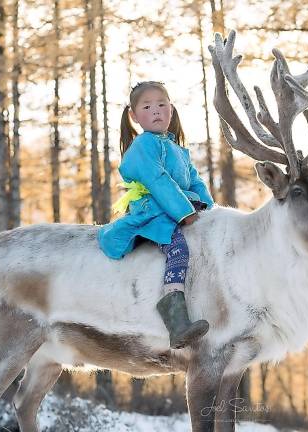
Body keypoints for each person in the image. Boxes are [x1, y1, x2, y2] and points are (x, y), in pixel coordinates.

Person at [97, 81, 214, 349]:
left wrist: (209, 209)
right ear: (134, 116)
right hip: (156, 212)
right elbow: (158, 180)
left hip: (176, 207)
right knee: (178, 249)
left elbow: (195, 183)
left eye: (162, 105)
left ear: (171, 110)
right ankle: (176, 319)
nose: (156, 111)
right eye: (147, 107)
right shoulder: (142, 146)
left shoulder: (177, 148)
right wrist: (185, 213)